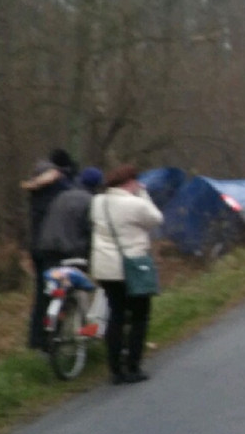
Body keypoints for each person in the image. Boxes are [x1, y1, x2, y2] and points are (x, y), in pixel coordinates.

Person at [89, 163, 164, 385]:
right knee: (140, 316)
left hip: (105, 267)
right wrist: (143, 194)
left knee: (116, 315)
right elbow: (156, 219)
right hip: (132, 266)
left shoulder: (97, 202)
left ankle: (115, 370)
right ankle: (133, 365)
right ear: (130, 182)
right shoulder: (135, 203)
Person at [37, 166, 105, 336]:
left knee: (54, 292)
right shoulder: (91, 201)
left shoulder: (62, 195)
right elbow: (91, 230)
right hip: (72, 251)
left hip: (47, 248)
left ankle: (50, 339)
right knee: (80, 287)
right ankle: (83, 329)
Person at [21, 154, 74, 350]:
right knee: (59, 293)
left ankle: (36, 340)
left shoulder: (36, 194)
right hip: (54, 248)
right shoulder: (58, 189)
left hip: (37, 248)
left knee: (42, 294)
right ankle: (52, 339)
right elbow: (71, 191)